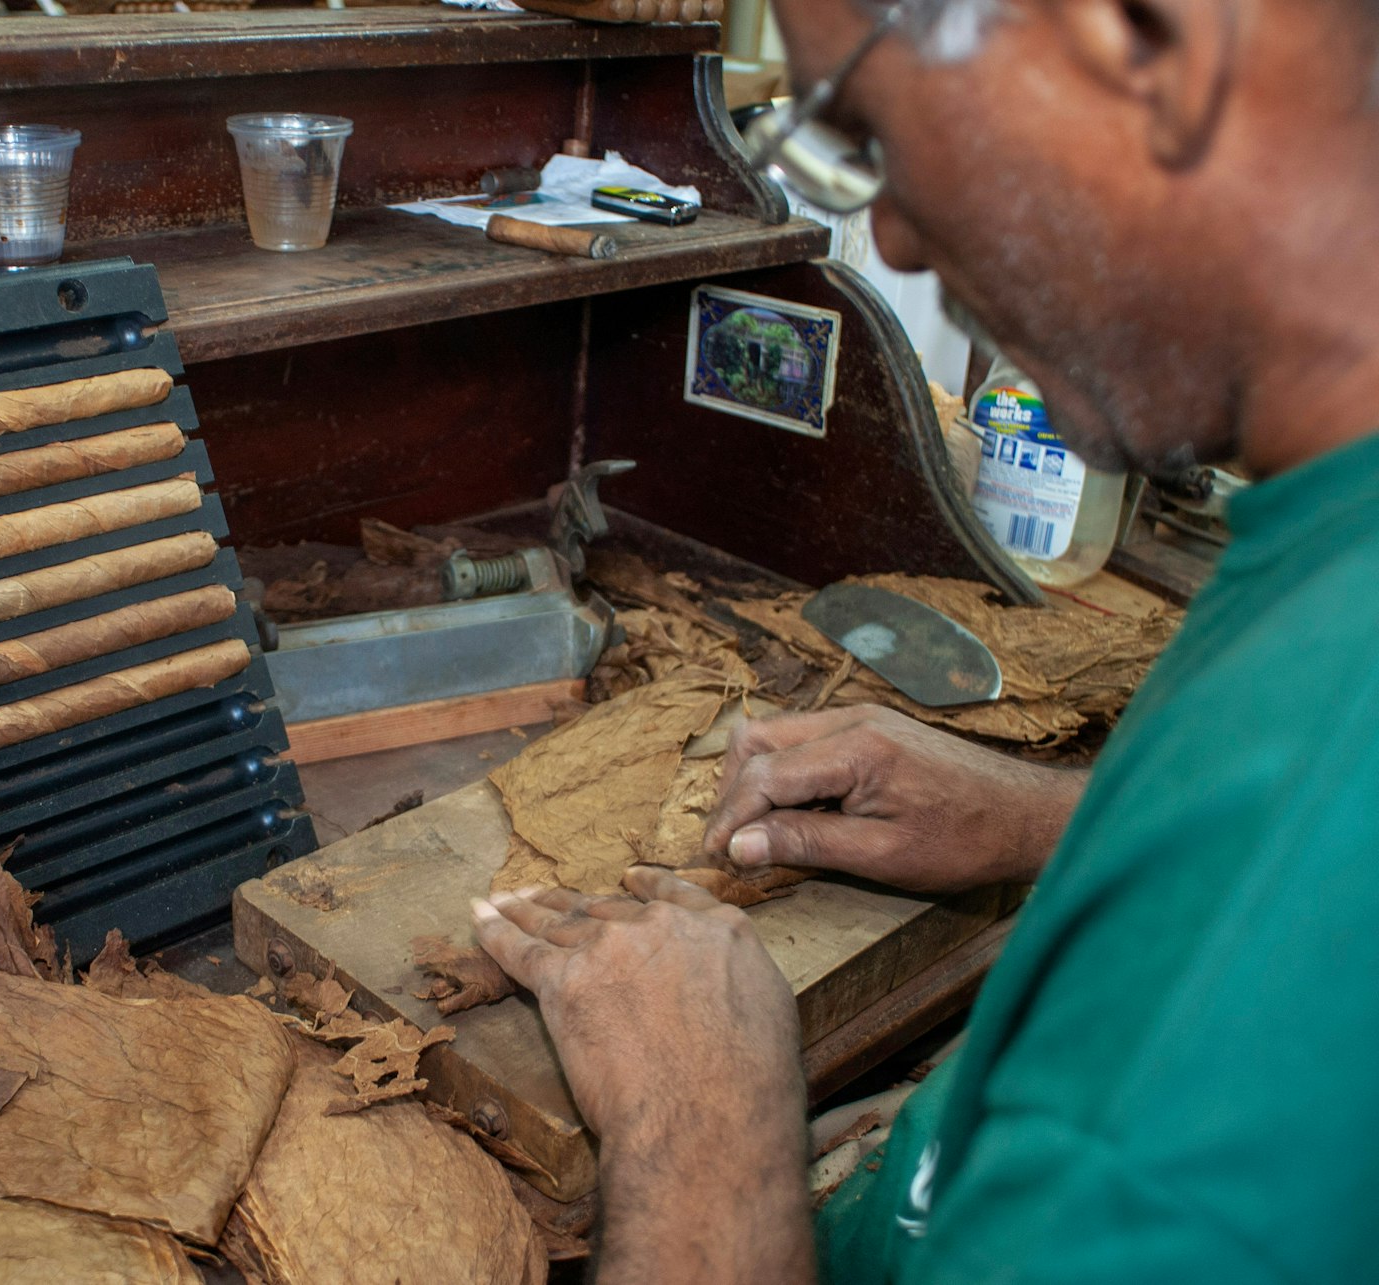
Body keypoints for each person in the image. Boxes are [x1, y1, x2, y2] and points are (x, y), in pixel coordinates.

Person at [471, 0, 1379, 1279]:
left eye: (870, 125)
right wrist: (1047, 823)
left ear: (1148, 43)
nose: (888, 229)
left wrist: (707, 1142)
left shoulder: (1185, 1085)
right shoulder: (1332, 531)